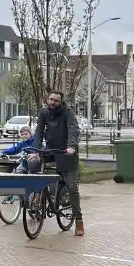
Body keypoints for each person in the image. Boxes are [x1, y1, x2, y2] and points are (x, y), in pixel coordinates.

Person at [32, 90, 84, 236]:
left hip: (66, 151)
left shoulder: (68, 113)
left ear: (61, 102)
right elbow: (39, 132)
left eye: (56, 100)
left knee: (72, 186)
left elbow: (73, 130)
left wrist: (71, 147)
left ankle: (79, 220)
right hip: (50, 149)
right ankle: (38, 198)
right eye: (51, 99)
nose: (52, 102)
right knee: (34, 164)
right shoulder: (44, 113)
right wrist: (36, 150)